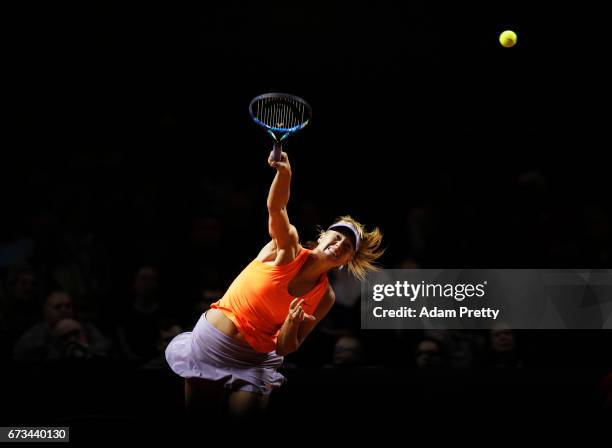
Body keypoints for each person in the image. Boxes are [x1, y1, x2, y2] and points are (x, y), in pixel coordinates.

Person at [165, 151, 384, 418]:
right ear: (322, 237)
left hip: (254, 362)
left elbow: (286, 347)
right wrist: (284, 174)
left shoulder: (325, 297)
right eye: (337, 236)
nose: (339, 244)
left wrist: (291, 324)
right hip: (211, 346)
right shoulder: (287, 247)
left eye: (347, 246)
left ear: (346, 261)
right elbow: (277, 208)